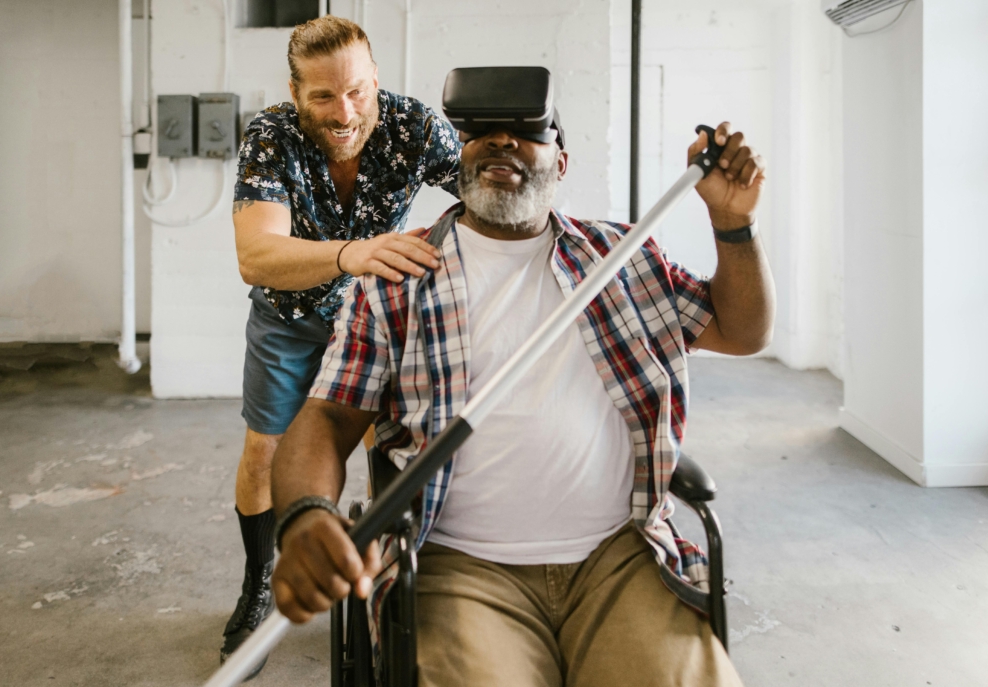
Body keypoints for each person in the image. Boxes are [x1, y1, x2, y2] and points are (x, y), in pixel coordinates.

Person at [270, 107, 774, 686]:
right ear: (458, 158)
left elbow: (742, 330)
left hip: (620, 556)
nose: (501, 140)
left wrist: (733, 224)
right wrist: (306, 518)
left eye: (528, 129)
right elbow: (328, 417)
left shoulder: (622, 257)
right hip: (460, 569)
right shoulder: (398, 278)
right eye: (479, 130)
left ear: (560, 164)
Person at [225, 15, 460, 676]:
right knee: (264, 450)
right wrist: (353, 253)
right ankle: (258, 584)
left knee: (385, 450)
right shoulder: (271, 136)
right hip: (290, 318)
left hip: (376, 320)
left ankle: (385, 586)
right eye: (323, 95)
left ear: (376, 81)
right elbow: (256, 253)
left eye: (356, 91)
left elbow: (488, 191)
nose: (344, 110)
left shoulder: (415, 127)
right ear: (296, 91)